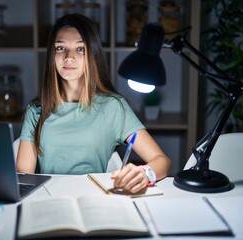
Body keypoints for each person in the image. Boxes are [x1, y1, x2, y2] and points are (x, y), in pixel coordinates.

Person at [17, 14, 171, 194]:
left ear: (93, 55)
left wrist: (145, 173)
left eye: (80, 49)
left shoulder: (113, 107)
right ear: (52, 54)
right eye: (60, 48)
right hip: (50, 200)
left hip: (95, 200)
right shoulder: (36, 110)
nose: (68, 58)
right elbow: (23, 177)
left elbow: (161, 160)